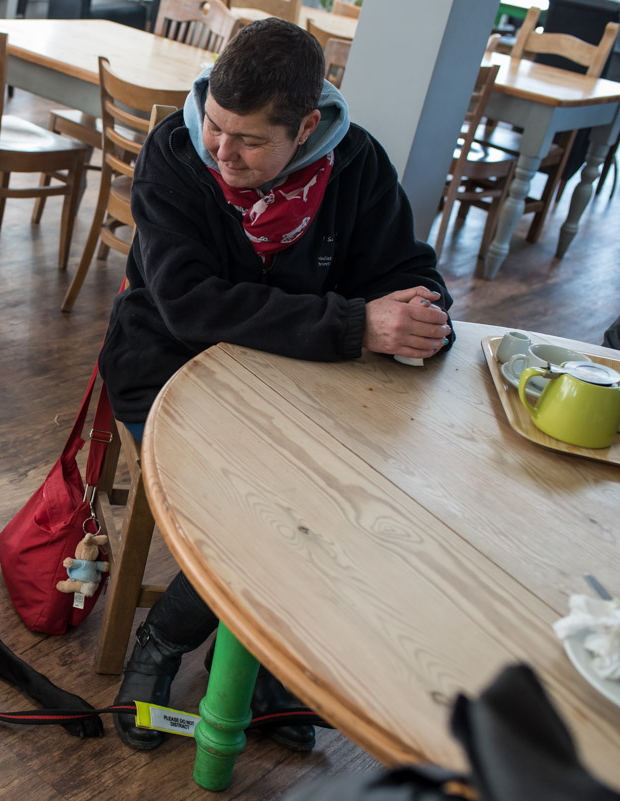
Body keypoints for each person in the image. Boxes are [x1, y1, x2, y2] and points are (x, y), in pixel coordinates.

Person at [97, 18, 455, 753]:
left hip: (293, 384)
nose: (221, 152)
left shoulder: (355, 165)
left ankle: (257, 665)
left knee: (337, 495)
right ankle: (163, 645)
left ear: (308, 127)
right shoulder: (176, 150)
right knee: (254, 510)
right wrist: (354, 326)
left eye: (251, 140)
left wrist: (421, 310)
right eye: (216, 125)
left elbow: (405, 270)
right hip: (163, 369)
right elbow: (190, 306)